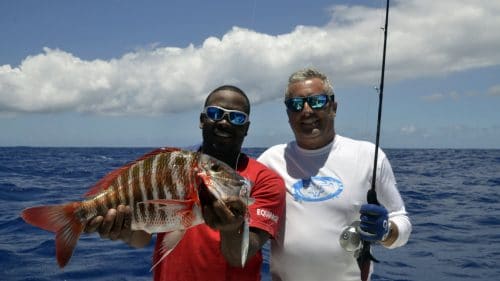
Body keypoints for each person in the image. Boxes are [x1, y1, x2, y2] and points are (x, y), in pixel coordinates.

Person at [84, 85, 286, 281]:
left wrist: (232, 228)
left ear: (246, 128)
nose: (225, 122)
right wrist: (123, 231)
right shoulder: (171, 169)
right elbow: (141, 238)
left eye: (237, 117)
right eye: (215, 113)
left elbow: (239, 256)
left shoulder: (264, 181)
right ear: (202, 120)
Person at [257, 68, 412, 281]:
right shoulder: (269, 160)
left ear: (334, 107)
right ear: (288, 115)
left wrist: (386, 232)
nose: (307, 110)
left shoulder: (369, 155)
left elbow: (401, 221)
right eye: (296, 104)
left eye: (317, 101)